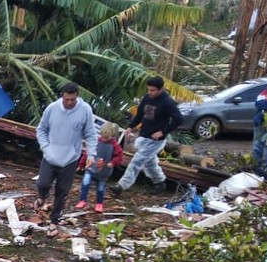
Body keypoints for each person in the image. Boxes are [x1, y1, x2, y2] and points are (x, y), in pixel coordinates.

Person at [35, 81, 98, 237]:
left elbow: (90, 134)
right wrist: (45, 147)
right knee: (42, 183)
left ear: (77, 97)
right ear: (62, 97)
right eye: (66, 99)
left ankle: (53, 222)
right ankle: (41, 197)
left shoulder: (85, 110)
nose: (69, 102)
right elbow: (41, 130)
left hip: (70, 158)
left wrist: (91, 154)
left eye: (73, 100)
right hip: (50, 155)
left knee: (62, 192)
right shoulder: (52, 109)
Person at [113, 76, 183, 196]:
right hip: (143, 136)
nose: (150, 92)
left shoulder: (167, 102)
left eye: (153, 90)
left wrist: (162, 132)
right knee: (150, 162)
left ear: (161, 89)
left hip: (156, 141)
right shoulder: (147, 98)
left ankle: (121, 186)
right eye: (148, 90)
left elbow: (179, 119)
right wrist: (131, 126)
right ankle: (160, 182)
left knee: (136, 162)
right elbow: (140, 114)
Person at [76, 122, 124, 213]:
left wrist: (113, 162)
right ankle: (82, 200)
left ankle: (99, 203)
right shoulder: (96, 141)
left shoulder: (115, 145)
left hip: (104, 171)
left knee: (101, 188)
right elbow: (87, 153)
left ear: (112, 135)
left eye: (107, 137)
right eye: (103, 136)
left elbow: (119, 157)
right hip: (91, 168)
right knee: (85, 183)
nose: (104, 139)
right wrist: (81, 165)